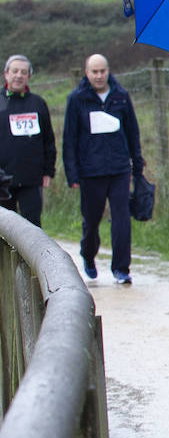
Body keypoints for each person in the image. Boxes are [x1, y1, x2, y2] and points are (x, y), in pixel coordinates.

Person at [63, 53, 144, 284]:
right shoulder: (77, 99)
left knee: (121, 219)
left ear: (108, 71)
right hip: (90, 170)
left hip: (119, 168)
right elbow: (70, 138)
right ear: (86, 73)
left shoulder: (121, 96)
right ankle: (88, 256)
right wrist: (72, 174)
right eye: (94, 72)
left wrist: (137, 165)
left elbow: (133, 132)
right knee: (91, 219)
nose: (99, 76)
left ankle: (121, 269)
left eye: (102, 71)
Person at [0, 54, 56, 226]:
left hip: (31, 178)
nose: (18, 75)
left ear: (29, 76)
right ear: (6, 73)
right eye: (15, 71)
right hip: (2, 180)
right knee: (4, 230)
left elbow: (48, 139)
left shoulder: (38, 103)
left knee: (32, 228)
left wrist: (48, 171)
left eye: (23, 72)